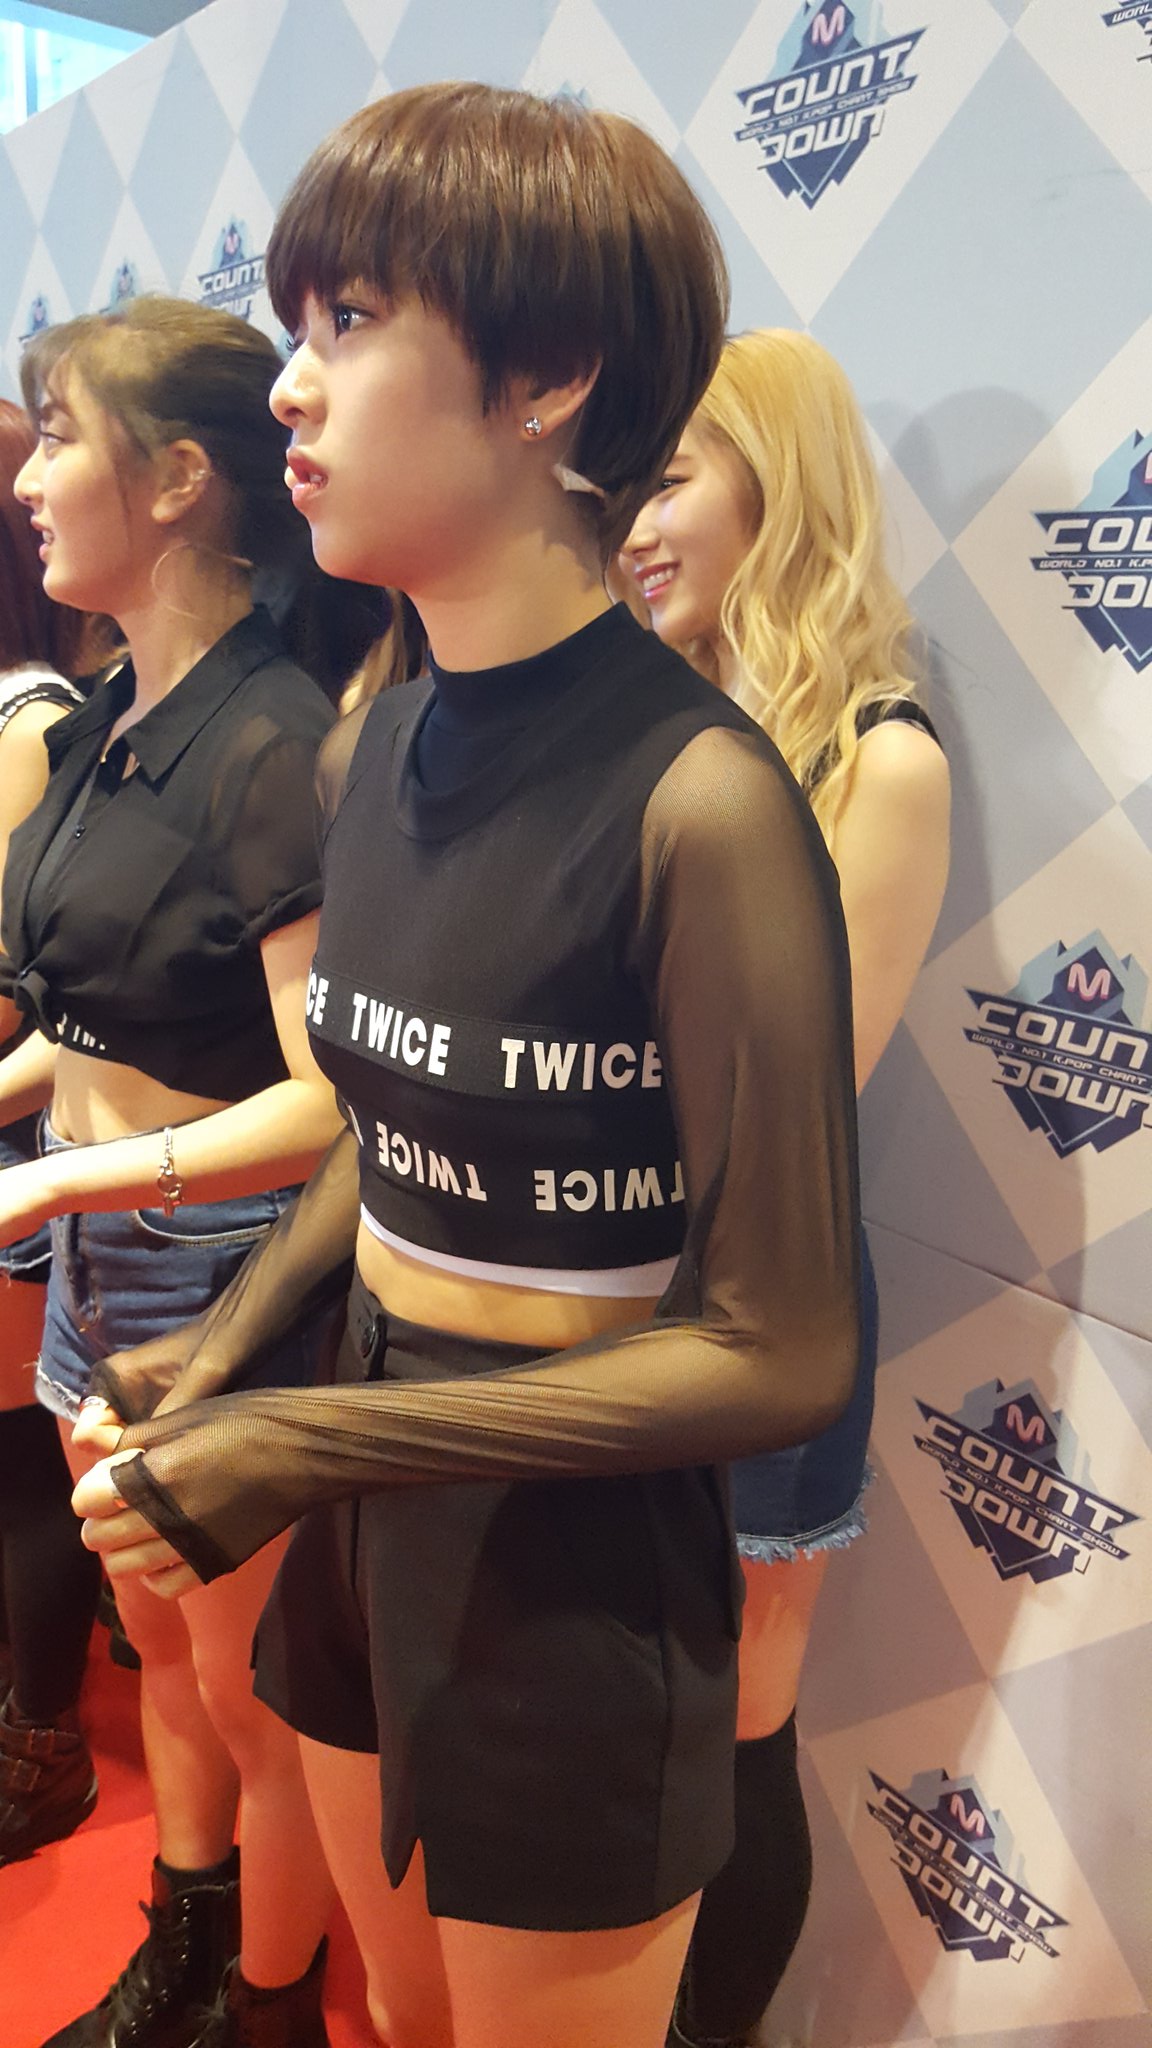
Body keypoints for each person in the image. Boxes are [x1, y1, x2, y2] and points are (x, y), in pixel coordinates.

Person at [71, 87, 863, 2048]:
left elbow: (780, 1350)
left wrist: (304, 1443)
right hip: (365, 1520)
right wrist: (232, 1347)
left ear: (548, 377)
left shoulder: (700, 805)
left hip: (574, 1587)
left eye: (352, 323)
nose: (293, 384)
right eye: (299, 325)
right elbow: (399, 1123)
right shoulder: (373, 749)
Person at [0, 299, 344, 2048]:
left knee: (242, 1683)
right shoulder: (109, 716)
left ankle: (260, 2000)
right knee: (166, 1661)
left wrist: (67, 1184)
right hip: (97, 1255)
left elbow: (329, 1102)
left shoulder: (272, 741)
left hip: (218, 1274)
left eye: (61, 435)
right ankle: (182, 1959)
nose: (30, 478)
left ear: (182, 479)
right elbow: (91, 1019)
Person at [619, 326, 951, 2047]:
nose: (629, 526)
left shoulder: (880, 760)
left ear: (782, 486)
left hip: (758, 1309)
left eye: (668, 479)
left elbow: (805, 1099)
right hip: (598, 1297)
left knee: (738, 1721)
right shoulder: (645, 724)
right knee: (621, 1717)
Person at [0, 399, 114, 1861]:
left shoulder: (28, 718)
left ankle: (45, 1741)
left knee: (21, 1450)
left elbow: (30, 987)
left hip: (36, 1147)